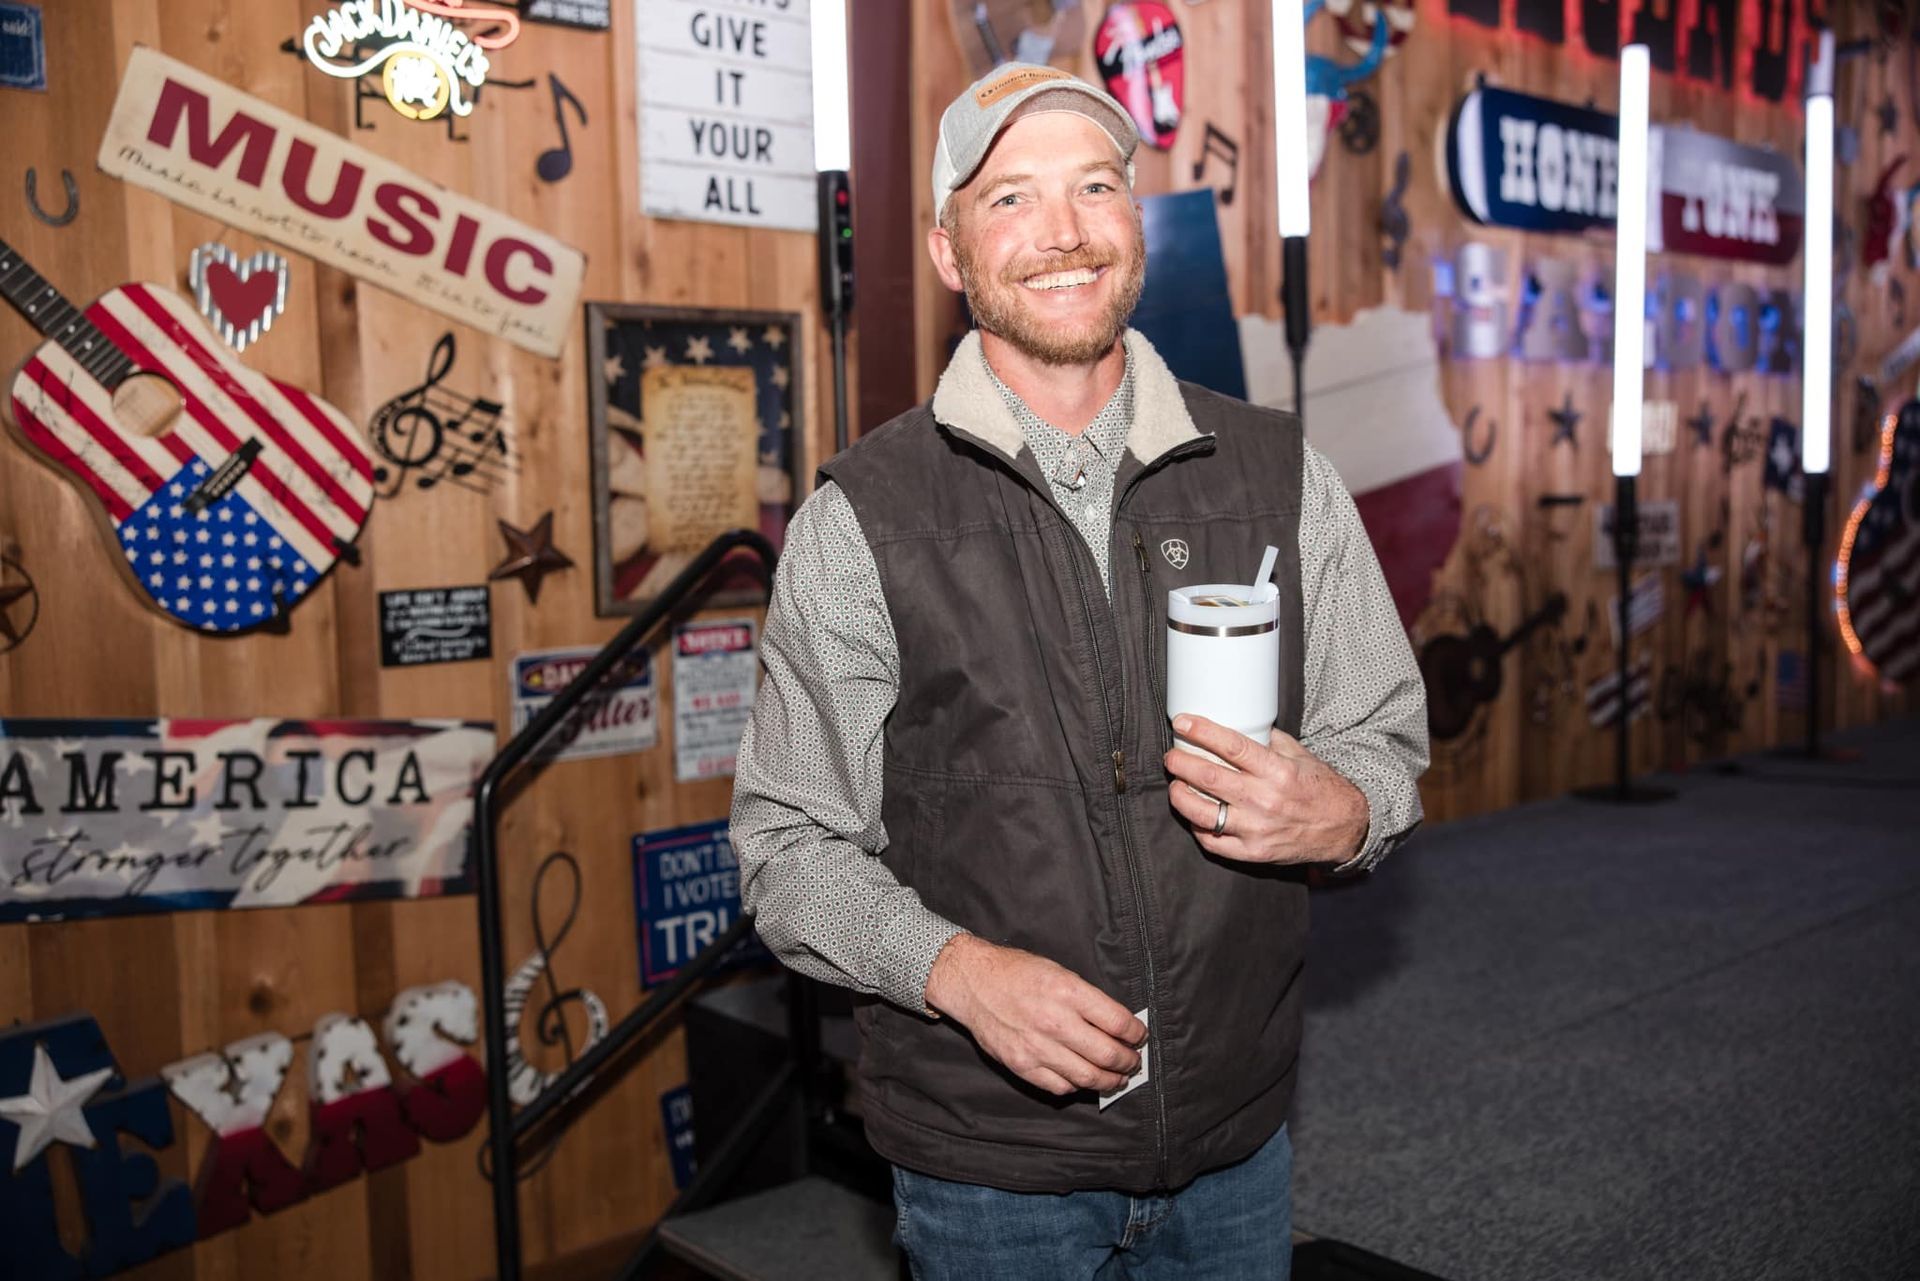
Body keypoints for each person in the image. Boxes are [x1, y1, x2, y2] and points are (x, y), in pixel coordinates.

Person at [730, 63, 1428, 1280]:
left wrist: (1352, 809)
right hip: (990, 1159)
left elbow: (1383, 740)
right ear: (949, 251)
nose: (1063, 231)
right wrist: (956, 973)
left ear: (1135, 220)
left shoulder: (1281, 473)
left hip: (1236, 1133)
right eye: (1010, 198)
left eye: (1095, 187)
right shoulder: (864, 518)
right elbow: (789, 850)